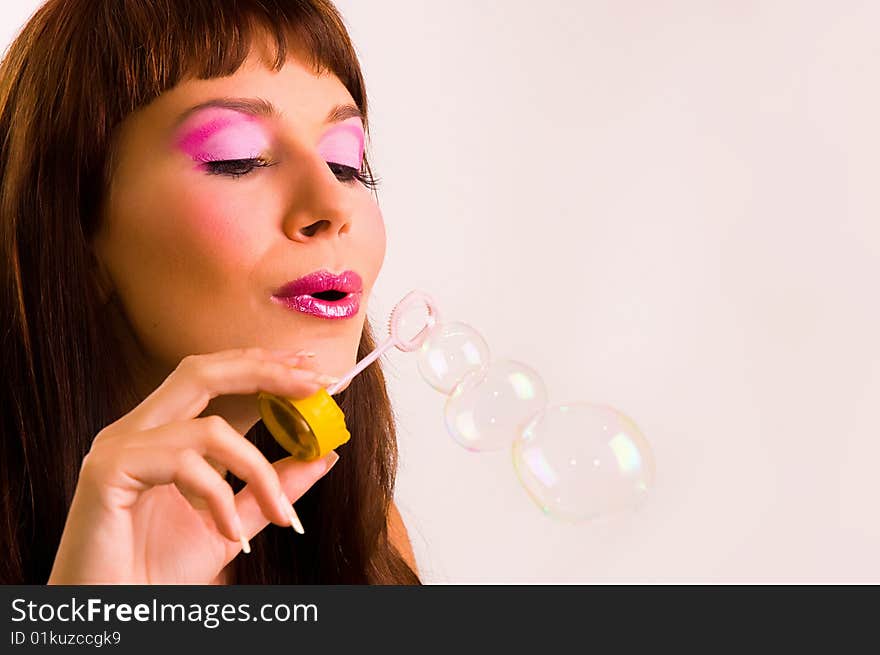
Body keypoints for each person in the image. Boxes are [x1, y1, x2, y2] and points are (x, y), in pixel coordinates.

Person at [0, 0, 420, 584]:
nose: (333, 205)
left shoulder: (360, 535)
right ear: (74, 232)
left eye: (345, 163)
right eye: (238, 158)